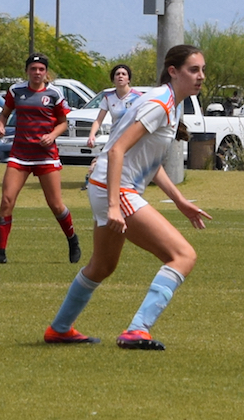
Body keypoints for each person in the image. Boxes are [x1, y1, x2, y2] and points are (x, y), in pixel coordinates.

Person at [43, 44, 213, 350]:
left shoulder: (173, 103)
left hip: (106, 185)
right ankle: (137, 330)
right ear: (173, 72)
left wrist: (179, 201)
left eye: (202, 70)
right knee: (183, 256)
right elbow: (118, 149)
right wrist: (113, 206)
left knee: (102, 266)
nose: (200, 76)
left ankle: (59, 329)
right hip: (115, 189)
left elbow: (149, 162)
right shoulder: (160, 103)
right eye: (193, 70)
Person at [0, 53, 80, 265]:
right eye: (33, 69)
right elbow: (4, 114)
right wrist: (0, 125)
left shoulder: (54, 93)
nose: (37, 73)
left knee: (55, 205)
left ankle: (72, 239)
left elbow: (63, 123)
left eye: (41, 69)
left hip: (45, 156)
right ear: (27, 70)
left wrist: (52, 135)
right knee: (7, 200)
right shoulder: (16, 91)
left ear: (46, 72)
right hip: (20, 154)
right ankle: (0, 252)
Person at [81, 63, 142, 190]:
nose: (120, 76)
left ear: (128, 79)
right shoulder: (108, 97)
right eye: (117, 74)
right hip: (115, 138)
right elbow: (98, 120)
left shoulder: (138, 97)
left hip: (132, 138)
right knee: (103, 163)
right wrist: (92, 136)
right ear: (113, 79)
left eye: (124, 74)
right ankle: (95, 184)